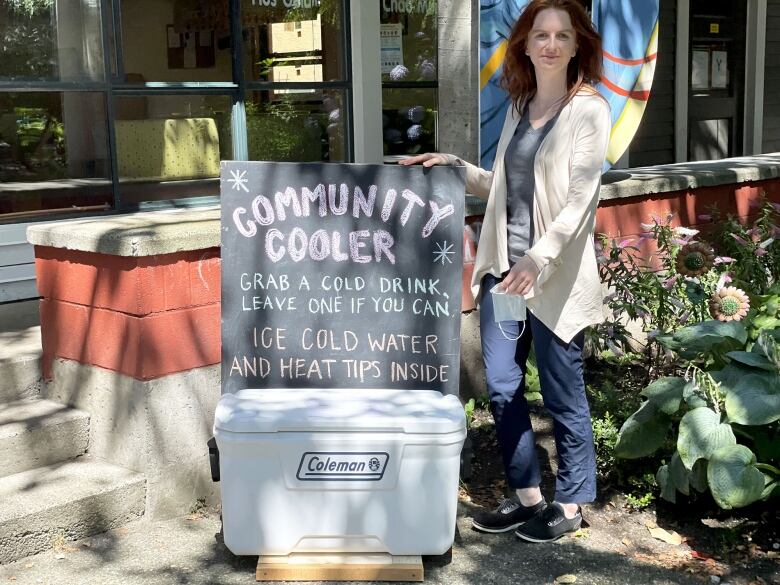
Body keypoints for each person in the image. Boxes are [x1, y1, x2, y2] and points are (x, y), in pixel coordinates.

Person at [400, 0, 610, 543]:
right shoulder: (519, 105)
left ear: (577, 45)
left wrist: (538, 258)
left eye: (563, 35)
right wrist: (455, 167)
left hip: (549, 279)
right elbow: (505, 188)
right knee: (501, 385)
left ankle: (572, 502)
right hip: (505, 276)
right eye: (540, 34)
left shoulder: (589, 110)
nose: (551, 44)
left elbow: (581, 200)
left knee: (563, 391)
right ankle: (528, 497)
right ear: (523, 42)